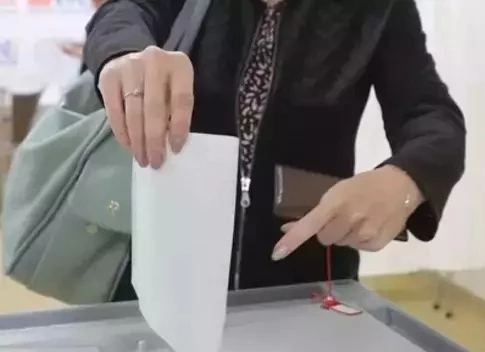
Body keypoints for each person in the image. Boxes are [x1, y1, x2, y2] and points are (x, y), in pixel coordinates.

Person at [83, 0, 465, 300]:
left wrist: (405, 180)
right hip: (167, 259)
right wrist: (123, 55)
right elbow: (123, 12)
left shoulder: (379, 9)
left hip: (303, 274)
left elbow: (432, 115)